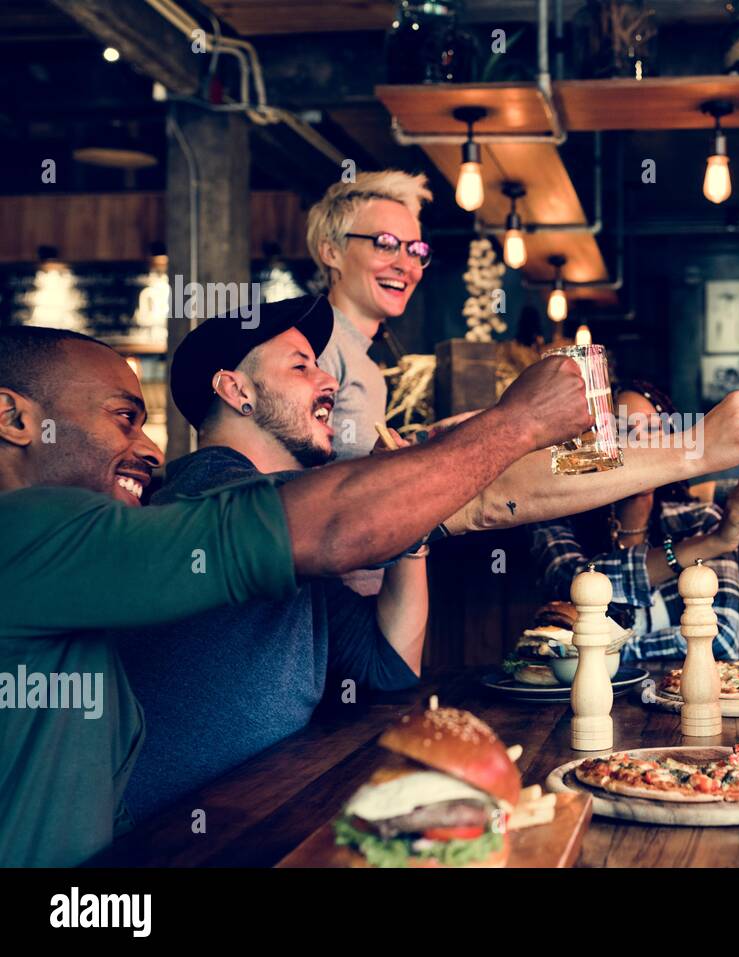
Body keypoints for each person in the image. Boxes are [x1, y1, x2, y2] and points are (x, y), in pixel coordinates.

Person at [0, 322, 592, 866]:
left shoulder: (66, 553)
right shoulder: (30, 530)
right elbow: (330, 526)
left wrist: (408, 506)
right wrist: (518, 423)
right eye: (124, 417)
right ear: (12, 416)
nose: (154, 451)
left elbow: (384, 669)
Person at [119, 296, 431, 820]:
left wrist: (411, 524)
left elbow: (388, 668)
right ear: (236, 389)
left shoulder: (292, 540)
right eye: (301, 365)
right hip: (174, 850)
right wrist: (410, 489)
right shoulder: (203, 495)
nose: (329, 383)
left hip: (263, 820)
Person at [530, 381, 739, 660]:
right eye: (624, 430)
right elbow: (572, 585)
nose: (640, 445)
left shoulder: (698, 520)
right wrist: (710, 544)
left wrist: (603, 651)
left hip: (682, 693)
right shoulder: (558, 519)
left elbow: (720, 638)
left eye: (652, 431)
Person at [308, 169, 432, 462]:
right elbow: (288, 480)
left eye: (415, 250)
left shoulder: (362, 360)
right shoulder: (316, 347)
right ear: (331, 252)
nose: (407, 266)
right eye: (385, 244)